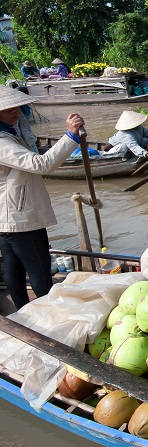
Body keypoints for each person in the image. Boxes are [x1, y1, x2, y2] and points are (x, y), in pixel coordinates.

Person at [0, 86, 85, 309]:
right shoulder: (2, 141)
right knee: (39, 268)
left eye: (16, 105)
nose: (14, 111)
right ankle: (49, 313)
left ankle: (22, 311)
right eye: (6, 108)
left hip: (10, 215)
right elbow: (41, 164)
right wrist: (70, 136)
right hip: (20, 216)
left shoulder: (12, 133)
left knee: (14, 266)